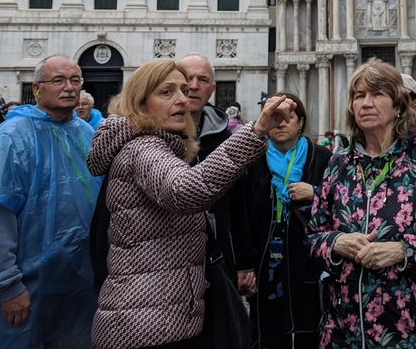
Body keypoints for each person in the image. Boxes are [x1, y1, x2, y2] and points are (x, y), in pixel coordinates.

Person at [86, 59, 293, 349]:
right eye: (167, 92)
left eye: (183, 90)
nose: (183, 98)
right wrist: (256, 130)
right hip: (147, 325)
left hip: (157, 317)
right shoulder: (143, 149)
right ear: (141, 102)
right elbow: (187, 191)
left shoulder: (155, 145)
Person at [307, 59, 416, 349]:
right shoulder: (338, 165)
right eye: (359, 96)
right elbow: (312, 236)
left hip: (409, 334)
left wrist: (403, 250)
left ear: (398, 106)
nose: (366, 103)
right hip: (342, 334)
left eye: (377, 94)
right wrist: (336, 243)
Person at [0, 55, 101, 349]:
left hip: (75, 283)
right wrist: (7, 285)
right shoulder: (11, 137)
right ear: (36, 88)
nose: (69, 88)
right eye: (58, 80)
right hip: (24, 286)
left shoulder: (85, 132)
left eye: (75, 80)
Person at [236, 91, 332, 349]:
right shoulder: (252, 160)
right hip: (265, 260)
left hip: (308, 262)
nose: (280, 124)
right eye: (274, 118)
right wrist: (245, 264)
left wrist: (315, 192)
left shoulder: (322, 157)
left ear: (300, 121)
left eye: (287, 117)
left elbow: (341, 202)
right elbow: (240, 213)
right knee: (266, 330)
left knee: (309, 327)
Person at [179, 52, 244, 277]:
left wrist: (245, 262)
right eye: (188, 78)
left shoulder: (226, 139)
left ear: (212, 89)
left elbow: (238, 205)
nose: (194, 86)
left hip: (219, 261)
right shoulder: (153, 138)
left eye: (203, 80)